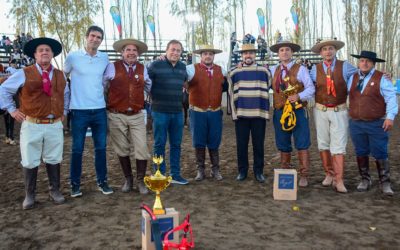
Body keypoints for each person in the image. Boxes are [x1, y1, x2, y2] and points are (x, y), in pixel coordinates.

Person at [0, 37, 69, 209]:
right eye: (41, 50)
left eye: (48, 50)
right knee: (30, 159)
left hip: (54, 124)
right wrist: (12, 110)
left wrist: (65, 112)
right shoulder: (24, 73)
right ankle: (30, 195)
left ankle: (55, 191)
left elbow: (66, 95)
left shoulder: (60, 75)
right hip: (32, 123)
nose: (44, 52)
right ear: (35, 55)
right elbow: (4, 89)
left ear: (52, 54)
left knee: (54, 157)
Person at [64, 25, 113, 197]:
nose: (95, 39)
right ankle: (75, 184)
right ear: (86, 37)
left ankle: (102, 181)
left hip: (99, 110)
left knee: (101, 148)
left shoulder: (104, 58)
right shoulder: (73, 57)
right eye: (92, 36)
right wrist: (65, 104)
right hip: (79, 111)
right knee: (77, 149)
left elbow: (108, 80)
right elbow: (62, 79)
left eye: (99, 37)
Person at [103, 38, 151, 194]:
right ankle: (128, 179)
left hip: (137, 114)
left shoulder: (143, 68)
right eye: (128, 50)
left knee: (142, 148)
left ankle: (141, 181)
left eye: (134, 50)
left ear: (138, 53)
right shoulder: (112, 67)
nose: (131, 53)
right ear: (122, 52)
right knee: (122, 149)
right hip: (116, 114)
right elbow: (104, 86)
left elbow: (149, 86)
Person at [309, 39, 357, 193]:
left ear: (335, 50)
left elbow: (362, 75)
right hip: (321, 110)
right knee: (323, 143)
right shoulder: (315, 70)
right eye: (324, 49)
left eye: (330, 48)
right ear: (320, 52)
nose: (328, 51)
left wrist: (383, 75)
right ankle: (328, 173)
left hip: (339, 110)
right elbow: (306, 84)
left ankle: (339, 179)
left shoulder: (346, 66)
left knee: (338, 146)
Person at [348, 50, 398, 196]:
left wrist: (390, 117)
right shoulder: (352, 77)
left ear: (373, 63)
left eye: (368, 61)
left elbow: (391, 98)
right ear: (359, 62)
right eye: (362, 60)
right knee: (361, 151)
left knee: (380, 152)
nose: (364, 63)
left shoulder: (382, 78)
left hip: (376, 122)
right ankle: (365, 179)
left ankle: (385, 182)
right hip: (356, 123)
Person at [269, 41, 315, 187]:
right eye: (281, 50)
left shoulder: (301, 69)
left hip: (298, 110)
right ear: (278, 54)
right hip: (280, 111)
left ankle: (304, 175)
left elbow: (311, 88)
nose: (284, 52)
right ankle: (285, 171)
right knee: (283, 142)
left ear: (292, 52)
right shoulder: (272, 69)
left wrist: (299, 96)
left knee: (302, 142)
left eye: (287, 50)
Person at [227, 44, 271, 183]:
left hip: (258, 113)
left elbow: (269, 85)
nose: (248, 55)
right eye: (245, 53)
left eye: (251, 53)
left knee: (259, 144)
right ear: (241, 56)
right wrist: (233, 113)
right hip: (241, 114)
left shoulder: (264, 71)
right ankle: (242, 171)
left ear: (255, 55)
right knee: (241, 145)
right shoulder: (234, 72)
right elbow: (230, 91)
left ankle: (259, 171)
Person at [148, 40, 189, 185]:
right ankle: (159, 174)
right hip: (160, 111)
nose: (175, 53)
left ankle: (175, 174)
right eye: (172, 49)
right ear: (166, 50)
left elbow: (185, 83)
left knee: (176, 144)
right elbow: (146, 82)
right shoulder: (155, 65)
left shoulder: (183, 67)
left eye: (178, 50)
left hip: (177, 112)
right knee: (159, 144)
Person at [187, 45, 227, 181]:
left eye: (210, 54)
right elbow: (176, 73)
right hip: (198, 111)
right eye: (205, 54)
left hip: (215, 111)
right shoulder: (191, 69)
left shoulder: (221, 70)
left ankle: (215, 169)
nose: (208, 56)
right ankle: (200, 169)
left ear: (214, 56)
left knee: (214, 140)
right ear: (201, 56)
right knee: (199, 141)